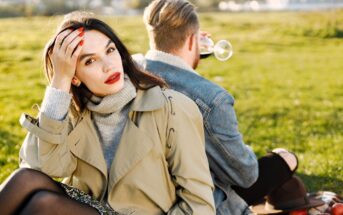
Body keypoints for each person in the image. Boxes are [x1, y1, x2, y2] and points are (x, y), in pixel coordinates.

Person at [0, 12, 215, 215]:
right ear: (74, 76)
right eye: (90, 61)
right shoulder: (71, 113)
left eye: (110, 50)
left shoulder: (173, 108)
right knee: (26, 179)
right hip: (91, 207)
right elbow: (42, 167)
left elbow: (199, 203)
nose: (108, 65)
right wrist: (59, 85)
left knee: (43, 206)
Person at [136, 0, 299, 214]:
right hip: (202, 203)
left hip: (145, 196)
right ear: (193, 39)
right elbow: (245, 175)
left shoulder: (128, 76)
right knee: (284, 158)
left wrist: (191, 49)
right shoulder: (211, 99)